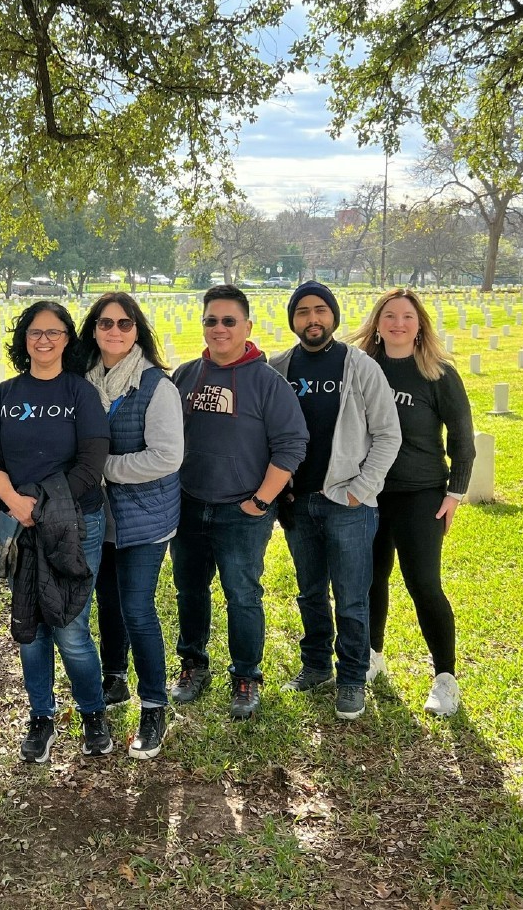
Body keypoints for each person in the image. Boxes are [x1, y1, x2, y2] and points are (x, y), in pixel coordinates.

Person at [0, 301, 112, 763]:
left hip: (77, 523)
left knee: (71, 625)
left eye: (54, 333)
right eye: (35, 332)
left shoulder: (81, 393)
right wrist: (17, 503)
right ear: (24, 338)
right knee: (30, 626)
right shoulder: (4, 394)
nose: (43, 340)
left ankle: (94, 713)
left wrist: (44, 503)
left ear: (67, 340)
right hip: (18, 522)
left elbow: (91, 466)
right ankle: (41, 717)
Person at [170, 284, 307, 721]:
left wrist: (261, 501)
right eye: (211, 320)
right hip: (189, 505)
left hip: (242, 511)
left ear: (247, 326)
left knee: (242, 595)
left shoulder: (268, 383)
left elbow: (291, 445)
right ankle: (193, 664)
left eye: (229, 320)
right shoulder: (186, 375)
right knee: (189, 590)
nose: (220, 328)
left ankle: (246, 676)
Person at [271, 281, 401, 722]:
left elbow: (387, 433)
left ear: (333, 316)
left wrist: (360, 489)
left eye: (320, 310)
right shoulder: (279, 368)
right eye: (303, 311)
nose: (313, 319)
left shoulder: (359, 366)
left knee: (350, 596)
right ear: (293, 319)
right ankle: (316, 667)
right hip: (297, 502)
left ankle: (351, 677)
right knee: (310, 592)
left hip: (348, 503)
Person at [350, 288, 474, 717]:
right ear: (377, 322)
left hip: (421, 493)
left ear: (419, 324)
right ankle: (372, 656)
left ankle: (445, 677)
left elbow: (462, 439)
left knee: (423, 583)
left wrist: (454, 493)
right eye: (389, 315)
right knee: (370, 580)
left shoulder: (437, 374)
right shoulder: (360, 367)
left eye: (407, 316)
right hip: (368, 493)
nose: (397, 323)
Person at [80, 292, 182, 759]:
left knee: (137, 608)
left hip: (144, 517)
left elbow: (166, 457)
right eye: (106, 324)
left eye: (124, 324)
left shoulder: (156, 386)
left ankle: (155, 705)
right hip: (96, 516)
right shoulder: (82, 381)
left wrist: (103, 467)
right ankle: (114, 677)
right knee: (107, 600)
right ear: (94, 330)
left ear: (136, 331)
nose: (114, 331)